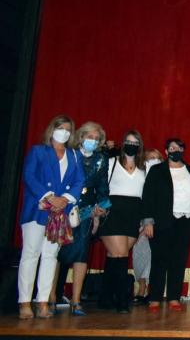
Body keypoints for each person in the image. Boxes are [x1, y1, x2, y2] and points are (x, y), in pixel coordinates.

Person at [19, 115, 85, 319]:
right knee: (31, 254)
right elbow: (29, 176)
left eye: (68, 128)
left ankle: (43, 301)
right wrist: (49, 197)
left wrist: (65, 199)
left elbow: (79, 180)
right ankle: (24, 302)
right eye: (60, 127)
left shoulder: (74, 155)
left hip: (60, 213)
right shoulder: (39, 151)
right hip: (38, 210)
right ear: (52, 129)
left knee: (50, 256)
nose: (64, 131)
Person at [52, 122, 109, 316]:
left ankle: (76, 300)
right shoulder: (69, 154)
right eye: (88, 137)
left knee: (81, 253)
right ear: (81, 137)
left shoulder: (102, 159)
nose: (92, 141)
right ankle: (51, 297)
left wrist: (101, 209)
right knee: (57, 252)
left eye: (96, 138)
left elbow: (102, 186)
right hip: (63, 207)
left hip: (86, 211)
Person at [142, 138, 190, 312]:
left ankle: (174, 297)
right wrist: (148, 221)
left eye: (179, 147)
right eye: (172, 148)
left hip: (186, 221)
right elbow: (148, 196)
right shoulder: (157, 170)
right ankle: (155, 298)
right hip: (163, 220)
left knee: (178, 260)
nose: (176, 150)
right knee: (159, 260)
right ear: (166, 151)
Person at [98, 129, 146, 313]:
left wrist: (144, 219)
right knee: (120, 255)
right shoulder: (111, 163)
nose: (131, 145)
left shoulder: (144, 168)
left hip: (134, 213)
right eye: (128, 141)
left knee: (115, 256)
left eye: (135, 143)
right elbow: (101, 186)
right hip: (114, 210)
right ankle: (122, 300)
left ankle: (105, 297)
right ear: (122, 142)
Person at [131, 148, 162, 304]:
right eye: (150, 158)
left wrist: (151, 222)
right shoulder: (138, 176)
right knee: (139, 255)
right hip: (138, 221)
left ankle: (151, 290)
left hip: (158, 222)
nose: (154, 161)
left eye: (157, 158)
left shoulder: (163, 177)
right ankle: (140, 287)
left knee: (153, 257)